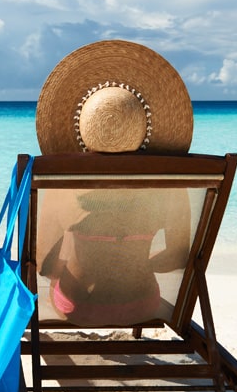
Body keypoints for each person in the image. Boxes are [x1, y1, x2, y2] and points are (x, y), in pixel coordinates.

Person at [31, 40, 196, 326]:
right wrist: (135, 264)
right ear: (144, 126)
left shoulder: (61, 184)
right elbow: (179, 256)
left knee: (65, 257)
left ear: (82, 126)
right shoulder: (171, 183)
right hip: (143, 304)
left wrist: (75, 263)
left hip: (78, 306)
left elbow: (44, 264)